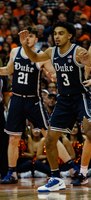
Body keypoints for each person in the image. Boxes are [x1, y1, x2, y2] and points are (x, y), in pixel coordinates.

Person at [18, 21, 91, 192]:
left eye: (61, 33)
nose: (57, 36)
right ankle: (56, 178)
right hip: (63, 100)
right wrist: (25, 46)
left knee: (89, 132)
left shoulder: (78, 51)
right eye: (55, 33)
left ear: (70, 35)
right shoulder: (52, 51)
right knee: (50, 140)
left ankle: (84, 172)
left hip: (80, 98)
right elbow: (35, 58)